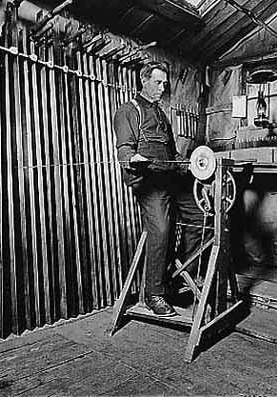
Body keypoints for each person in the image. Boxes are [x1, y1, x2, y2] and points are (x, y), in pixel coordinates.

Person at [113, 61, 205, 317]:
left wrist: (185, 163)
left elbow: (171, 150)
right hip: (150, 182)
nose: (163, 88)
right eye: (158, 82)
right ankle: (153, 292)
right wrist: (131, 159)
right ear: (144, 80)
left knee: (200, 217)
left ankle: (181, 273)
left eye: (165, 83)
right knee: (162, 229)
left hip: (171, 177)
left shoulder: (161, 114)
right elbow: (123, 148)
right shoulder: (128, 111)